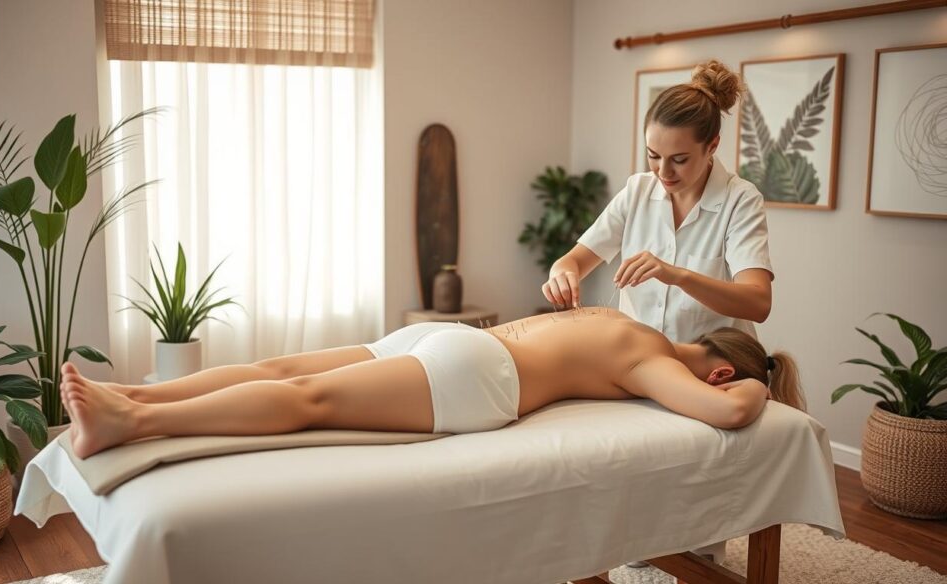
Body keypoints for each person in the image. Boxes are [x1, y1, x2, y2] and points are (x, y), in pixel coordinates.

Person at [60, 306, 804, 460]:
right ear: (717, 362)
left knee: (281, 369)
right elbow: (729, 411)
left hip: (456, 336)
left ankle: (134, 396)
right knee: (304, 401)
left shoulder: (636, 324)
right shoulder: (658, 363)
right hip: (478, 373)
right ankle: (130, 420)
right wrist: (759, 386)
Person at [544, 59, 775, 344]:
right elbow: (573, 262)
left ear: (712, 146)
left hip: (715, 367)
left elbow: (758, 302)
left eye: (679, 160)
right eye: (653, 155)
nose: (663, 172)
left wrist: (677, 276)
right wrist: (562, 273)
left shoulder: (739, 200)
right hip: (641, 364)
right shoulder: (637, 191)